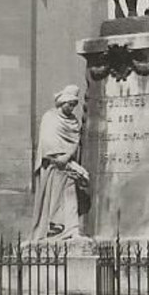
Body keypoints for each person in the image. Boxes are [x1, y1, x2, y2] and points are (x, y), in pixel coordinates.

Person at [31, 85, 89, 241]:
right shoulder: (49, 117)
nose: (71, 108)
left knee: (70, 195)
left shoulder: (74, 122)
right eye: (69, 104)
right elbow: (46, 140)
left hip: (68, 165)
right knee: (54, 197)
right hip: (53, 165)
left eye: (74, 105)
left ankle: (72, 229)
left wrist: (68, 156)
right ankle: (54, 227)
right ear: (62, 102)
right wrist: (56, 157)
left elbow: (75, 142)